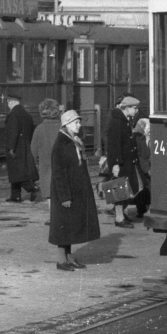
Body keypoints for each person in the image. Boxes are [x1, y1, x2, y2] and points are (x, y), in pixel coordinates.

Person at [49, 109, 101, 269]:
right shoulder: (61, 144)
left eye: (79, 122)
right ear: (67, 124)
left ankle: (69, 257)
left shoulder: (73, 141)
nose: (79, 125)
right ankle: (61, 260)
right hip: (65, 192)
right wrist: (64, 196)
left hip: (74, 191)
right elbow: (59, 173)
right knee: (63, 226)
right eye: (76, 122)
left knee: (70, 225)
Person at [101, 95, 142, 228]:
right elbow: (114, 145)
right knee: (120, 189)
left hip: (127, 161)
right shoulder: (117, 122)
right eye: (134, 108)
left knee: (130, 188)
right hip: (122, 162)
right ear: (127, 108)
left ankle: (121, 214)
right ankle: (119, 218)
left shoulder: (124, 120)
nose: (136, 111)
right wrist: (115, 164)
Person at [3, 92, 37, 202]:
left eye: (8, 102)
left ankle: (33, 188)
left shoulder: (13, 115)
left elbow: (13, 132)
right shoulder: (26, 114)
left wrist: (11, 148)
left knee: (17, 171)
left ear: (12, 102)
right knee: (17, 170)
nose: (8, 105)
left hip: (16, 146)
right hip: (26, 145)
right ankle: (15, 195)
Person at [33, 97, 62, 201]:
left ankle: (53, 217)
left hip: (45, 169)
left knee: (50, 197)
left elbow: (33, 152)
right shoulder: (62, 127)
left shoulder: (39, 129)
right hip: (62, 168)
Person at [132, 116, 152, 219]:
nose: (149, 131)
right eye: (147, 128)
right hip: (142, 167)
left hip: (148, 166)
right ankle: (142, 210)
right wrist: (147, 169)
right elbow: (140, 156)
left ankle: (145, 208)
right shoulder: (137, 138)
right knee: (144, 188)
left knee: (148, 188)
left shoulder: (148, 138)